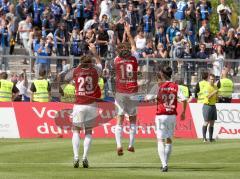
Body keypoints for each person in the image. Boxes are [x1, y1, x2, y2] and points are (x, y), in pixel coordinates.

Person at [64, 44, 102, 168]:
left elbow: (65, 78)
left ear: (81, 63)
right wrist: (94, 52)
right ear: (91, 63)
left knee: (76, 130)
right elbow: (100, 62)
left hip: (79, 104)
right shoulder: (95, 70)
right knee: (89, 131)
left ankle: (76, 157)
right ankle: (85, 157)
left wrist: (75, 78)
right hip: (91, 104)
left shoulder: (76, 70)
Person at [145, 66, 186, 172]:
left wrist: (147, 98)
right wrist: (184, 113)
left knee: (160, 139)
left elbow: (147, 98)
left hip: (161, 115)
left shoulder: (158, 86)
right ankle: (165, 163)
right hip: (172, 115)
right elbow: (184, 100)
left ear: (162, 74)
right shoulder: (176, 86)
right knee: (169, 139)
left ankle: (164, 164)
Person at [114, 26, 138, 156]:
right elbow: (133, 45)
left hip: (120, 92)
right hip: (132, 91)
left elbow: (121, 49)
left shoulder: (116, 60)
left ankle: (118, 145)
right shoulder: (134, 58)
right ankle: (131, 145)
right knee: (133, 119)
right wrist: (128, 33)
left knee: (119, 119)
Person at [202, 74, 218, 142]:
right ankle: (204, 138)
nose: (212, 80)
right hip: (207, 105)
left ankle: (210, 138)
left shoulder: (215, 87)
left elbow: (216, 96)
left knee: (212, 122)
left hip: (213, 105)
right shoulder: (206, 87)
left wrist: (218, 97)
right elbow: (208, 96)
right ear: (209, 79)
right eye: (211, 79)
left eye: (213, 79)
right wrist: (214, 92)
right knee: (206, 122)